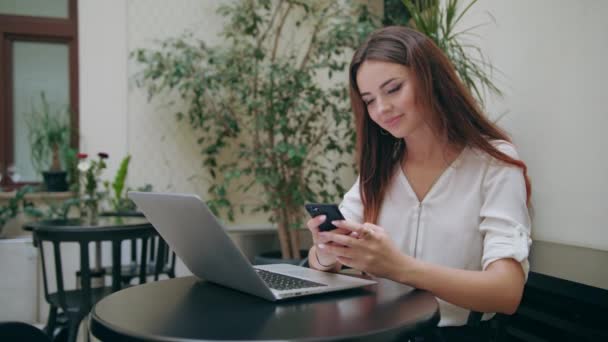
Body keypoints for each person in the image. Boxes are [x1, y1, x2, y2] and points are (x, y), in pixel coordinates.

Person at [306, 26, 532, 339]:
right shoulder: (380, 168)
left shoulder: (493, 162)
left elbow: (506, 292)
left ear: (430, 79)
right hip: (378, 333)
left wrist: (399, 267)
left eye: (393, 88)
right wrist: (327, 251)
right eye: (369, 100)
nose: (382, 109)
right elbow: (319, 262)